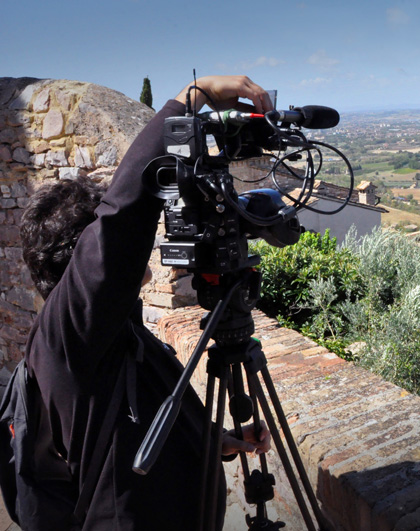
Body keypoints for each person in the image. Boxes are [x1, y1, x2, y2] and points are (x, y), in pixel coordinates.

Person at [19, 76, 272, 530]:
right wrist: (191, 99)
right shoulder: (68, 334)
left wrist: (222, 441)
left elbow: (141, 427)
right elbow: (121, 217)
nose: (137, 253)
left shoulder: (109, 334)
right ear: (85, 264)